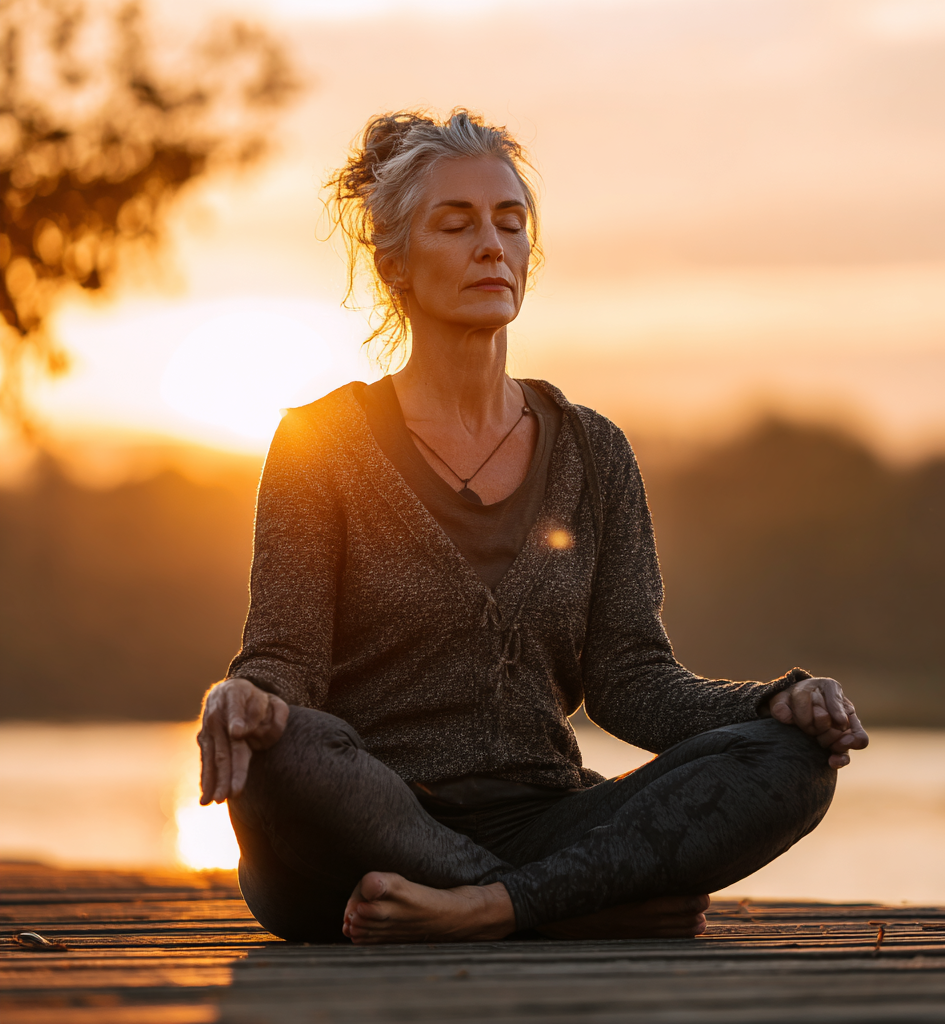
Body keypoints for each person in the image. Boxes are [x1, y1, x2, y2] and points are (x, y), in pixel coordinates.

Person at [197, 110, 868, 945]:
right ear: (394, 263)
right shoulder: (318, 444)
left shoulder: (595, 451)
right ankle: (577, 903)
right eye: (457, 224)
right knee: (283, 751)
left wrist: (776, 701)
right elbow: (283, 659)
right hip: (365, 830)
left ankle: (488, 907)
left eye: (511, 223)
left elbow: (631, 678)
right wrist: (249, 702)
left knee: (788, 760)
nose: (492, 244)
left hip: (547, 819)